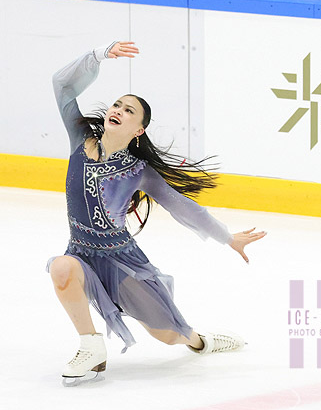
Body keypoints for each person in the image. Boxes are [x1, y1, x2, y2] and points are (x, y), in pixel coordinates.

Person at [48, 41, 266, 386]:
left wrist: (228, 237)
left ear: (139, 130)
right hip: (81, 254)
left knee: (167, 334)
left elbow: (184, 207)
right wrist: (99, 55)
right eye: (117, 104)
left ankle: (201, 340)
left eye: (129, 110)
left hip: (122, 261)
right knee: (61, 267)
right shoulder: (80, 140)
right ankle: (91, 346)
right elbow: (61, 85)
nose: (118, 109)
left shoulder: (139, 171)